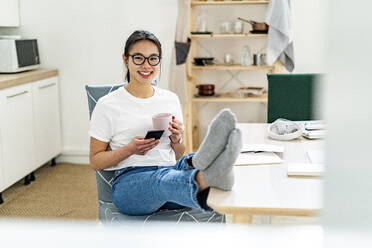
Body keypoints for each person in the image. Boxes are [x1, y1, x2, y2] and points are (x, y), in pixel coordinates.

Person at [89, 30, 243, 216]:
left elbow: (178, 153)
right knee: (162, 180)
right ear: (125, 59)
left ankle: (199, 163)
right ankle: (206, 175)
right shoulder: (108, 104)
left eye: (153, 59)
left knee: (182, 165)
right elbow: (95, 161)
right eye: (138, 58)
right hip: (129, 184)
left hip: (170, 171)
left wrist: (176, 140)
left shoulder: (170, 99)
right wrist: (130, 149)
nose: (146, 65)